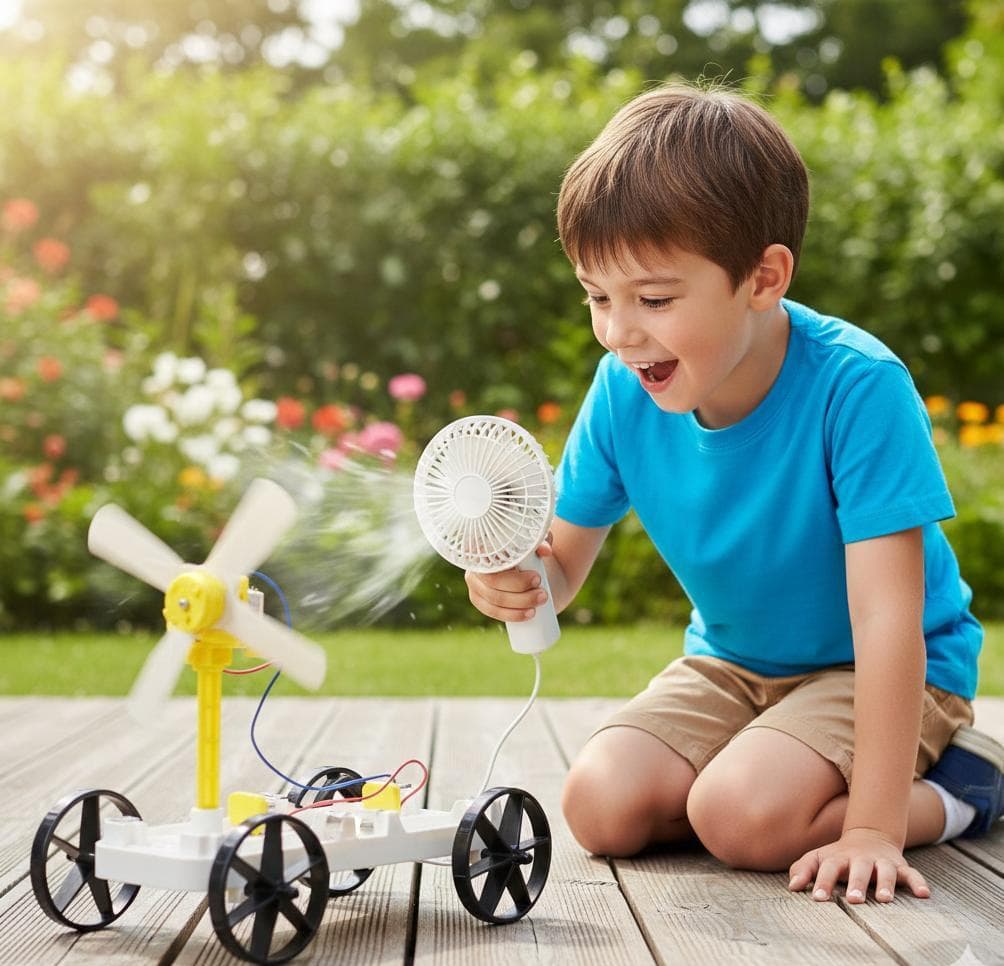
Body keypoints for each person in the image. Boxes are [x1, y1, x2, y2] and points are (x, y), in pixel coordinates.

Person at [464, 82, 1004, 903]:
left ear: (763, 277)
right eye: (597, 297)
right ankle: (771, 772)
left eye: (653, 299)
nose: (619, 332)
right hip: (730, 663)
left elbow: (889, 621)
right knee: (599, 806)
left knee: (741, 819)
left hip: (884, 670)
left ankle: (965, 788)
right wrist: (514, 582)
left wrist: (872, 828)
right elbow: (561, 572)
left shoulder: (857, 388)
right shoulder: (621, 391)